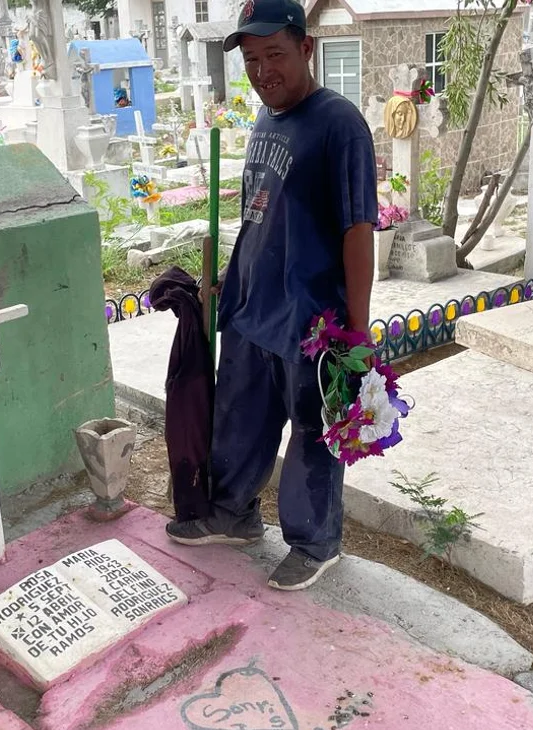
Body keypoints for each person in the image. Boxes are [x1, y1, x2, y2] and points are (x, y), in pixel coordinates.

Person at [164, 0, 376, 591]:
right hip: (252, 311)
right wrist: (228, 286)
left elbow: (358, 231)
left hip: (312, 320)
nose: (262, 72)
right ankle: (232, 515)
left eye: (274, 55)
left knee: (312, 433)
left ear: (306, 49)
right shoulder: (265, 122)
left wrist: (357, 334)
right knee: (239, 422)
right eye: (252, 60)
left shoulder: (339, 125)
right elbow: (256, 216)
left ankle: (315, 543)